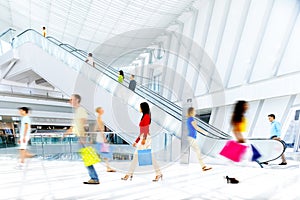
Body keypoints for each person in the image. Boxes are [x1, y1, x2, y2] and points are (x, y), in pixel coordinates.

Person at [121, 102, 162, 182]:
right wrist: (136, 141)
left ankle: (129, 174)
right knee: (141, 156)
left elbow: (146, 129)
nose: (139, 109)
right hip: (143, 137)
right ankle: (158, 173)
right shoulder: (144, 116)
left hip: (145, 138)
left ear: (143, 108)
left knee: (138, 156)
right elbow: (141, 131)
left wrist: (144, 139)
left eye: (140, 107)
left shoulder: (146, 116)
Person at [64, 94, 100, 184]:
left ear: (76, 100)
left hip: (81, 137)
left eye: (71, 99)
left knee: (87, 158)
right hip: (79, 137)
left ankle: (94, 178)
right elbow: (74, 126)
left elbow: (83, 123)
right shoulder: (77, 112)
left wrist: (83, 137)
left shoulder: (81, 110)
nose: (70, 101)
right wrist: (66, 133)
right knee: (86, 158)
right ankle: (94, 177)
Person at [226, 100, 249, 184]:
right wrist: (240, 140)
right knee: (235, 160)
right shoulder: (236, 116)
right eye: (245, 105)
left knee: (234, 160)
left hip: (240, 138)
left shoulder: (241, 116)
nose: (247, 106)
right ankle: (231, 177)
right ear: (241, 106)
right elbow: (236, 129)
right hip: (238, 138)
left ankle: (230, 176)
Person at [186, 107, 212, 171]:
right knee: (198, 151)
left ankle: (203, 166)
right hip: (191, 137)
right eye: (194, 111)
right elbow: (196, 128)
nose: (195, 112)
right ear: (191, 112)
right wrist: (205, 132)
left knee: (197, 151)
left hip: (191, 137)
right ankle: (203, 166)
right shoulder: (191, 119)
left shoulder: (189, 119)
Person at [95, 107, 116, 172]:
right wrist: (104, 138)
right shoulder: (99, 118)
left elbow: (96, 128)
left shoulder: (99, 118)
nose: (103, 110)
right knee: (104, 151)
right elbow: (100, 129)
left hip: (101, 135)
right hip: (101, 136)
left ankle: (108, 167)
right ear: (99, 111)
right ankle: (108, 167)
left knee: (104, 151)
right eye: (102, 109)